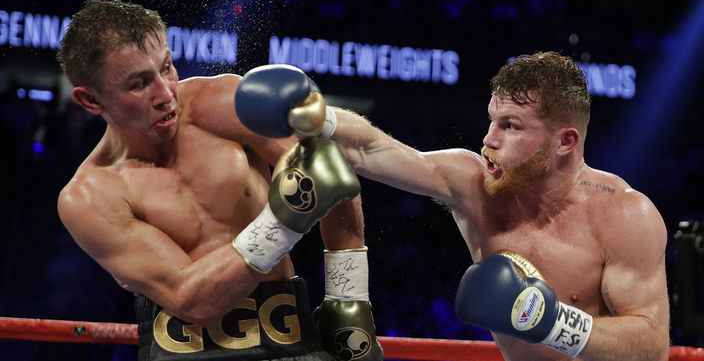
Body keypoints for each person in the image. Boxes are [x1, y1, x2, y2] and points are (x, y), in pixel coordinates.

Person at [234, 52, 670, 361]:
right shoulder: (474, 183)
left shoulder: (625, 215)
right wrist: (315, 115)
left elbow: (650, 346)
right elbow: (372, 150)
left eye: (511, 126)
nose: (489, 139)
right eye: (491, 120)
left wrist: (552, 322)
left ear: (566, 141)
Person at [55, 0, 382, 361]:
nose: (165, 95)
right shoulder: (89, 196)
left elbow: (326, 169)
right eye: (139, 83)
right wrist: (288, 216)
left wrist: (347, 298)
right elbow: (191, 300)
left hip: (291, 341)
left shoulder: (222, 104)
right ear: (89, 100)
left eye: (166, 68)